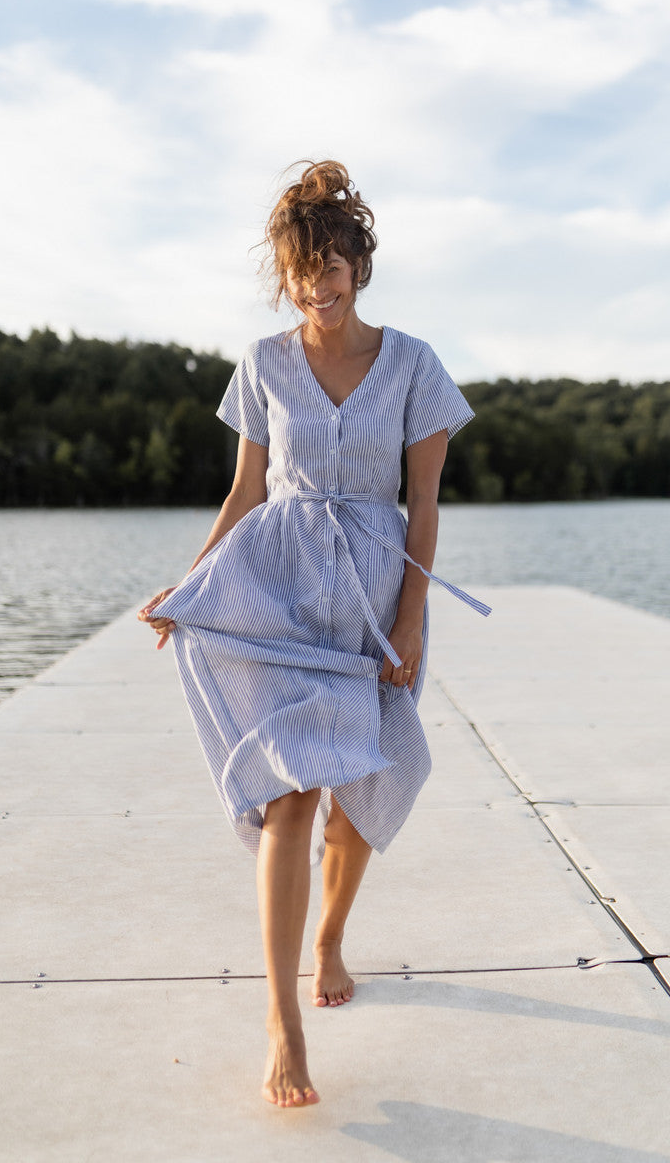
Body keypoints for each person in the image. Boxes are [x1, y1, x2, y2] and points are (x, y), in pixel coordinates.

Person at [138, 160, 489, 1109]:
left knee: (364, 787)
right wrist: (194, 583)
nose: (319, 288)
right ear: (286, 277)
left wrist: (411, 619)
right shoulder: (261, 363)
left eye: (333, 269)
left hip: (372, 597)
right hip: (281, 590)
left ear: (360, 266)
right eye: (303, 274)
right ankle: (282, 1021)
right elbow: (248, 491)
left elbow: (422, 509)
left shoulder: (414, 365)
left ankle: (333, 933)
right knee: (291, 799)